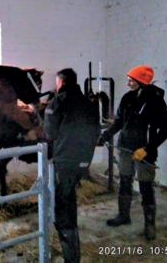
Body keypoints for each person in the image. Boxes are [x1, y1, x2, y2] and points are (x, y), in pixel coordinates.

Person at [98, 65, 167, 241]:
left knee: (145, 186)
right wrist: (105, 136)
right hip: (125, 148)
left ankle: (149, 225)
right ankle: (124, 216)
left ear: (141, 82)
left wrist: (147, 149)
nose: (128, 82)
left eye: (131, 80)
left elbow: (165, 130)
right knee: (124, 181)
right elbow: (118, 122)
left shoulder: (156, 101)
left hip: (145, 152)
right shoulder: (127, 98)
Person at [43, 68, 100, 263]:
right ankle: (72, 249)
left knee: (61, 205)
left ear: (61, 82)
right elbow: (96, 131)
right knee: (69, 197)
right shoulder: (90, 103)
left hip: (64, 161)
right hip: (83, 161)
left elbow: (48, 133)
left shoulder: (57, 101)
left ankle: (71, 257)